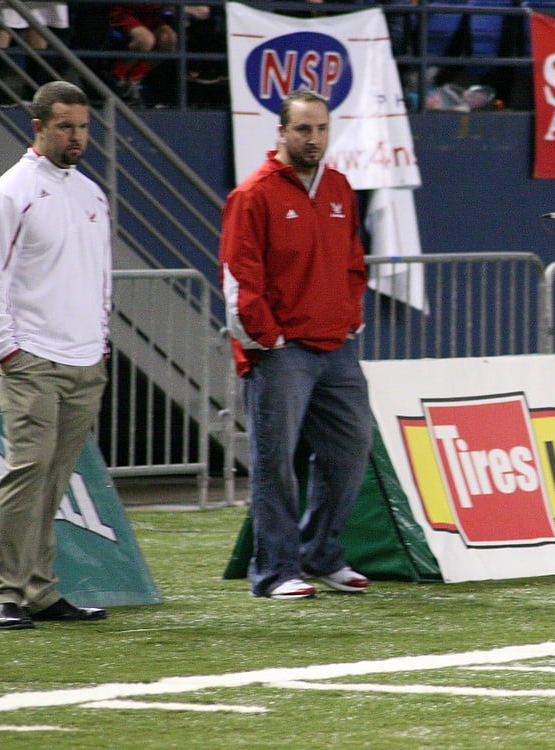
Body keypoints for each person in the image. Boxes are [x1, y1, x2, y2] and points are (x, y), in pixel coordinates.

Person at [219, 89, 374, 601]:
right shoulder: (253, 194)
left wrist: (349, 317)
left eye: (321, 129)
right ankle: (274, 571)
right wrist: (268, 340)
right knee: (275, 463)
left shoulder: (339, 188)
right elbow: (240, 278)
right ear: (281, 133)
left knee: (350, 451)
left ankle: (321, 554)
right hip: (281, 352)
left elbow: (355, 261)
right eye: (303, 129)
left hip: (337, 348)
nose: (314, 139)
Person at [0, 81, 112, 630]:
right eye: (66, 127)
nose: (77, 137)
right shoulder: (10, 193)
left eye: (82, 127)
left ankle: (40, 588)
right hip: (32, 361)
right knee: (28, 474)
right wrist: (5, 349)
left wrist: (98, 344)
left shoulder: (91, 194)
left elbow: (99, 280)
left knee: (55, 480)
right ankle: (0, 592)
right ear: (39, 128)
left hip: (83, 361)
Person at [107, 4, 177, 106]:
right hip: (124, 11)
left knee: (169, 40)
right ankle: (117, 78)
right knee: (145, 40)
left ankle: (135, 78)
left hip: (149, 14)